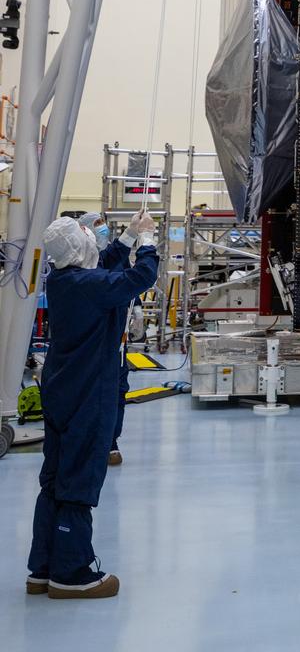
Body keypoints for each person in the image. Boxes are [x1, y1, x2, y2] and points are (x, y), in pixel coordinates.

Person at [26, 211, 158, 600]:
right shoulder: (89, 284)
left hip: (62, 388)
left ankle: (42, 568)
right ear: (80, 246)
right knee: (79, 478)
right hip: (87, 392)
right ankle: (72, 573)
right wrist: (148, 242)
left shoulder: (66, 279)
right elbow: (139, 279)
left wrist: (127, 237)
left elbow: (102, 269)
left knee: (54, 478)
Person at [82, 212, 142, 467]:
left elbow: (129, 278)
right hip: (93, 337)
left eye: (103, 223)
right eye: (96, 225)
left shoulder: (115, 254)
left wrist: (137, 309)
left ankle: (110, 442)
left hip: (118, 337)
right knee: (90, 390)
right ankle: (86, 441)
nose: (102, 228)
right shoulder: (83, 259)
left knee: (118, 390)